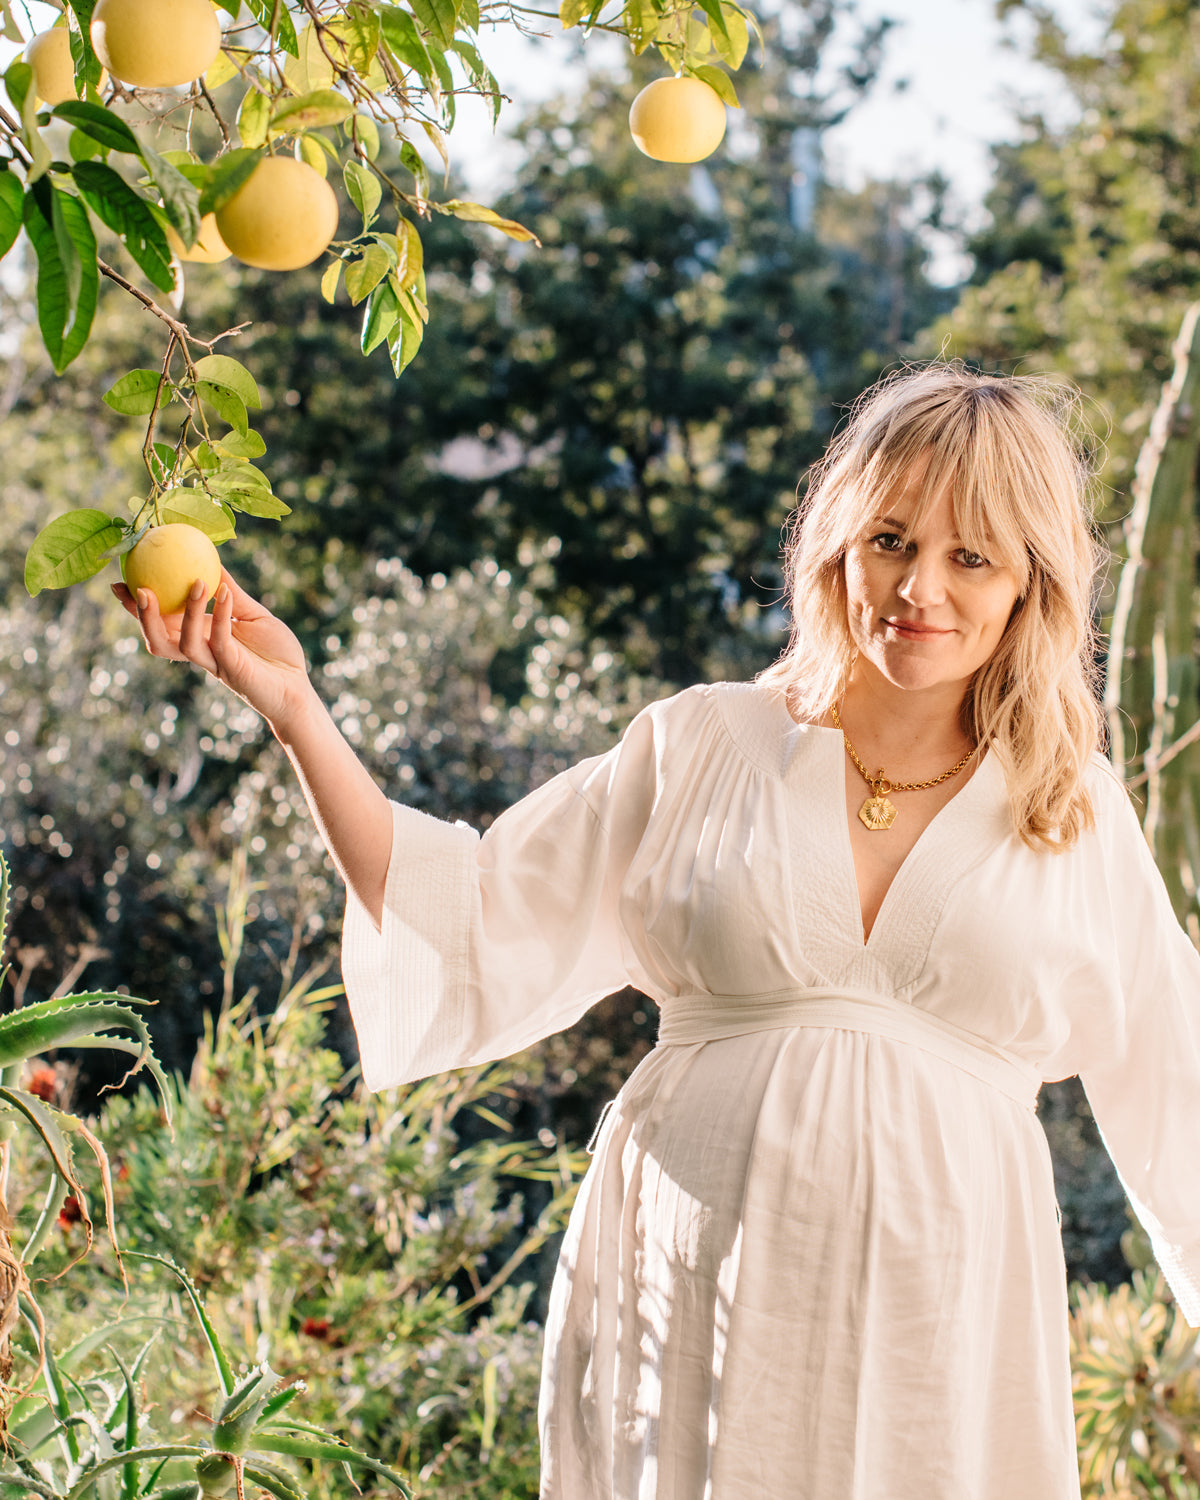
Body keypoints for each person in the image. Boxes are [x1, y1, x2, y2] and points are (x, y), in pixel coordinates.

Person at [114, 362, 1200, 1500]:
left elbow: (1179, 1086)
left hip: (945, 1315)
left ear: (1032, 583)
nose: (917, 585)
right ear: (839, 541)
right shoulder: (704, 746)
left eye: (969, 556)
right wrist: (294, 709)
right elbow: (469, 911)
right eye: (890, 538)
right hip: (696, 1279)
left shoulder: (1069, 810)